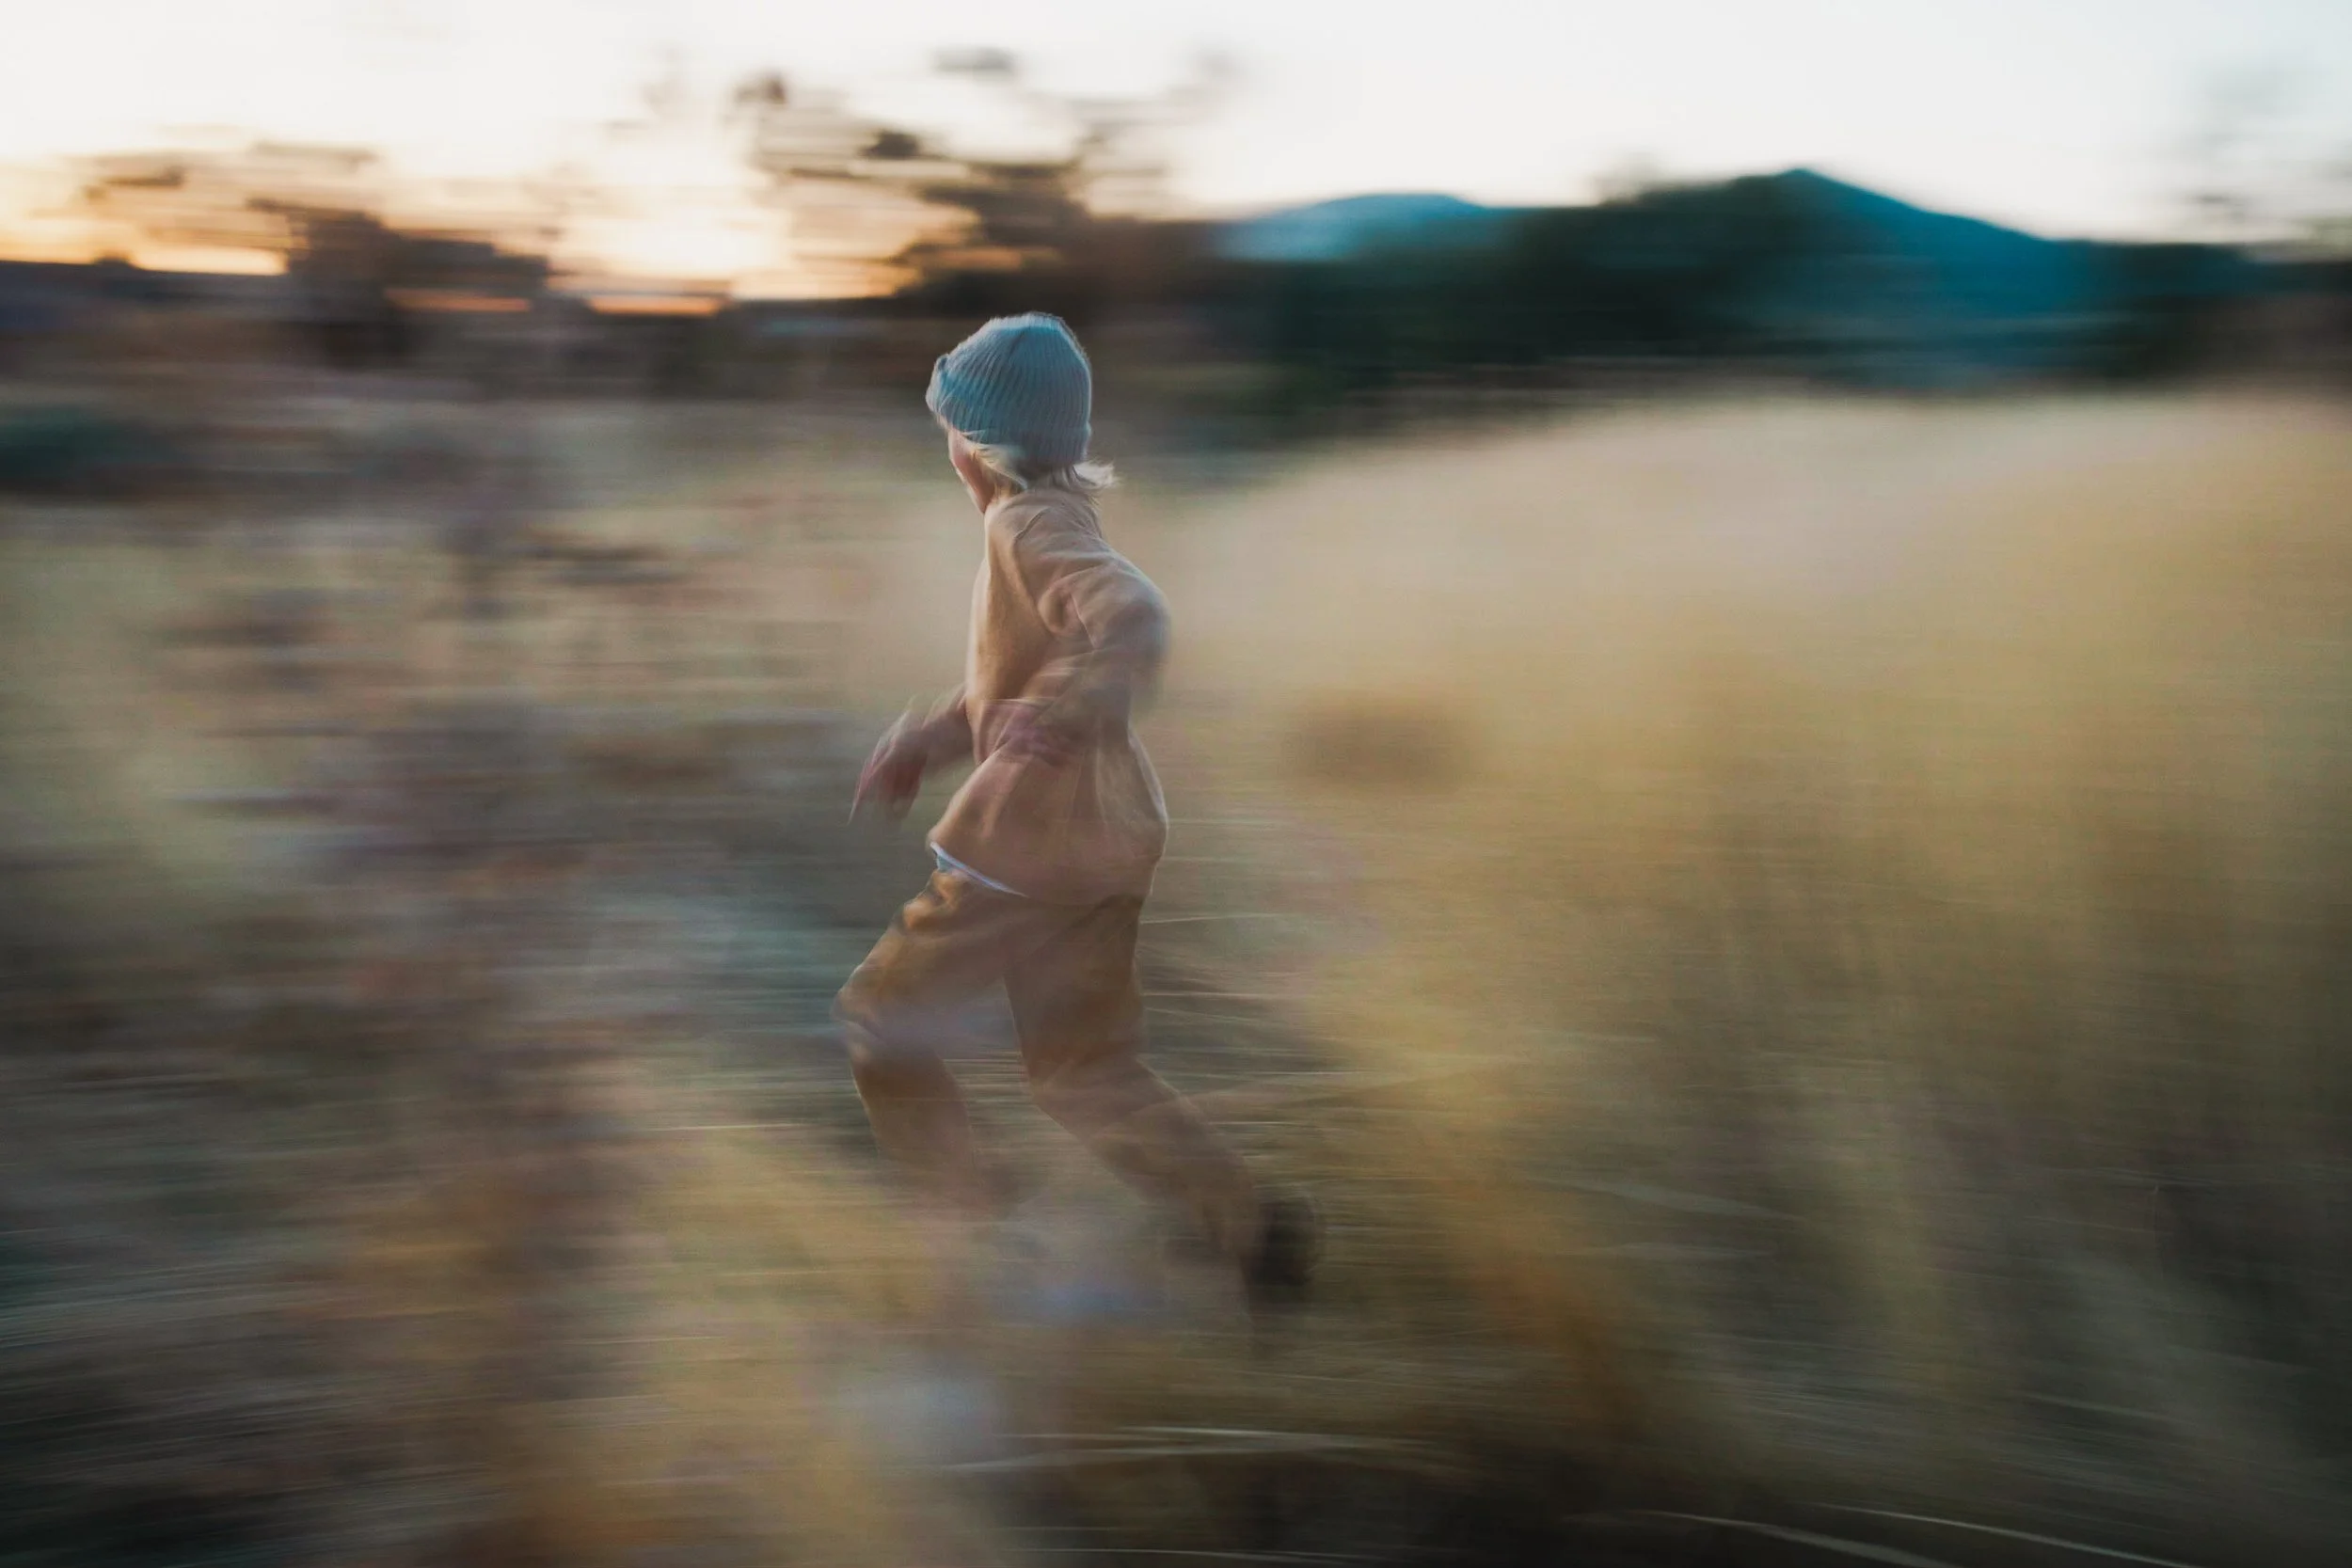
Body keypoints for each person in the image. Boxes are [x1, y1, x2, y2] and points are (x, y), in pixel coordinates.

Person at [836, 313, 1317, 1308]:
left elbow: (1136, 619)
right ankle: (1249, 1223)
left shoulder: (1024, 525)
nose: (946, 450)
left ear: (975, 444)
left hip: (1023, 855)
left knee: (884, 1023)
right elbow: (1010, 689)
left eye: (948, 430)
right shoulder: (1058, 517)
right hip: (1105, 845)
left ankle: (982, 1233)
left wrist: (1068, 709)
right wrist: (927, 742)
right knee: (1080, 1071)